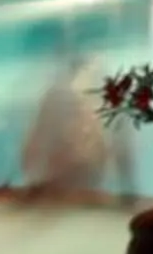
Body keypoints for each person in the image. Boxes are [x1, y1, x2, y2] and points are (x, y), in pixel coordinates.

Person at [15, 48, 112, 200]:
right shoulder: (60, 97)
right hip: (69, 175)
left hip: (77, 174)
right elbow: (33, 143)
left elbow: (32, 144)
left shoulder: (74, 98)